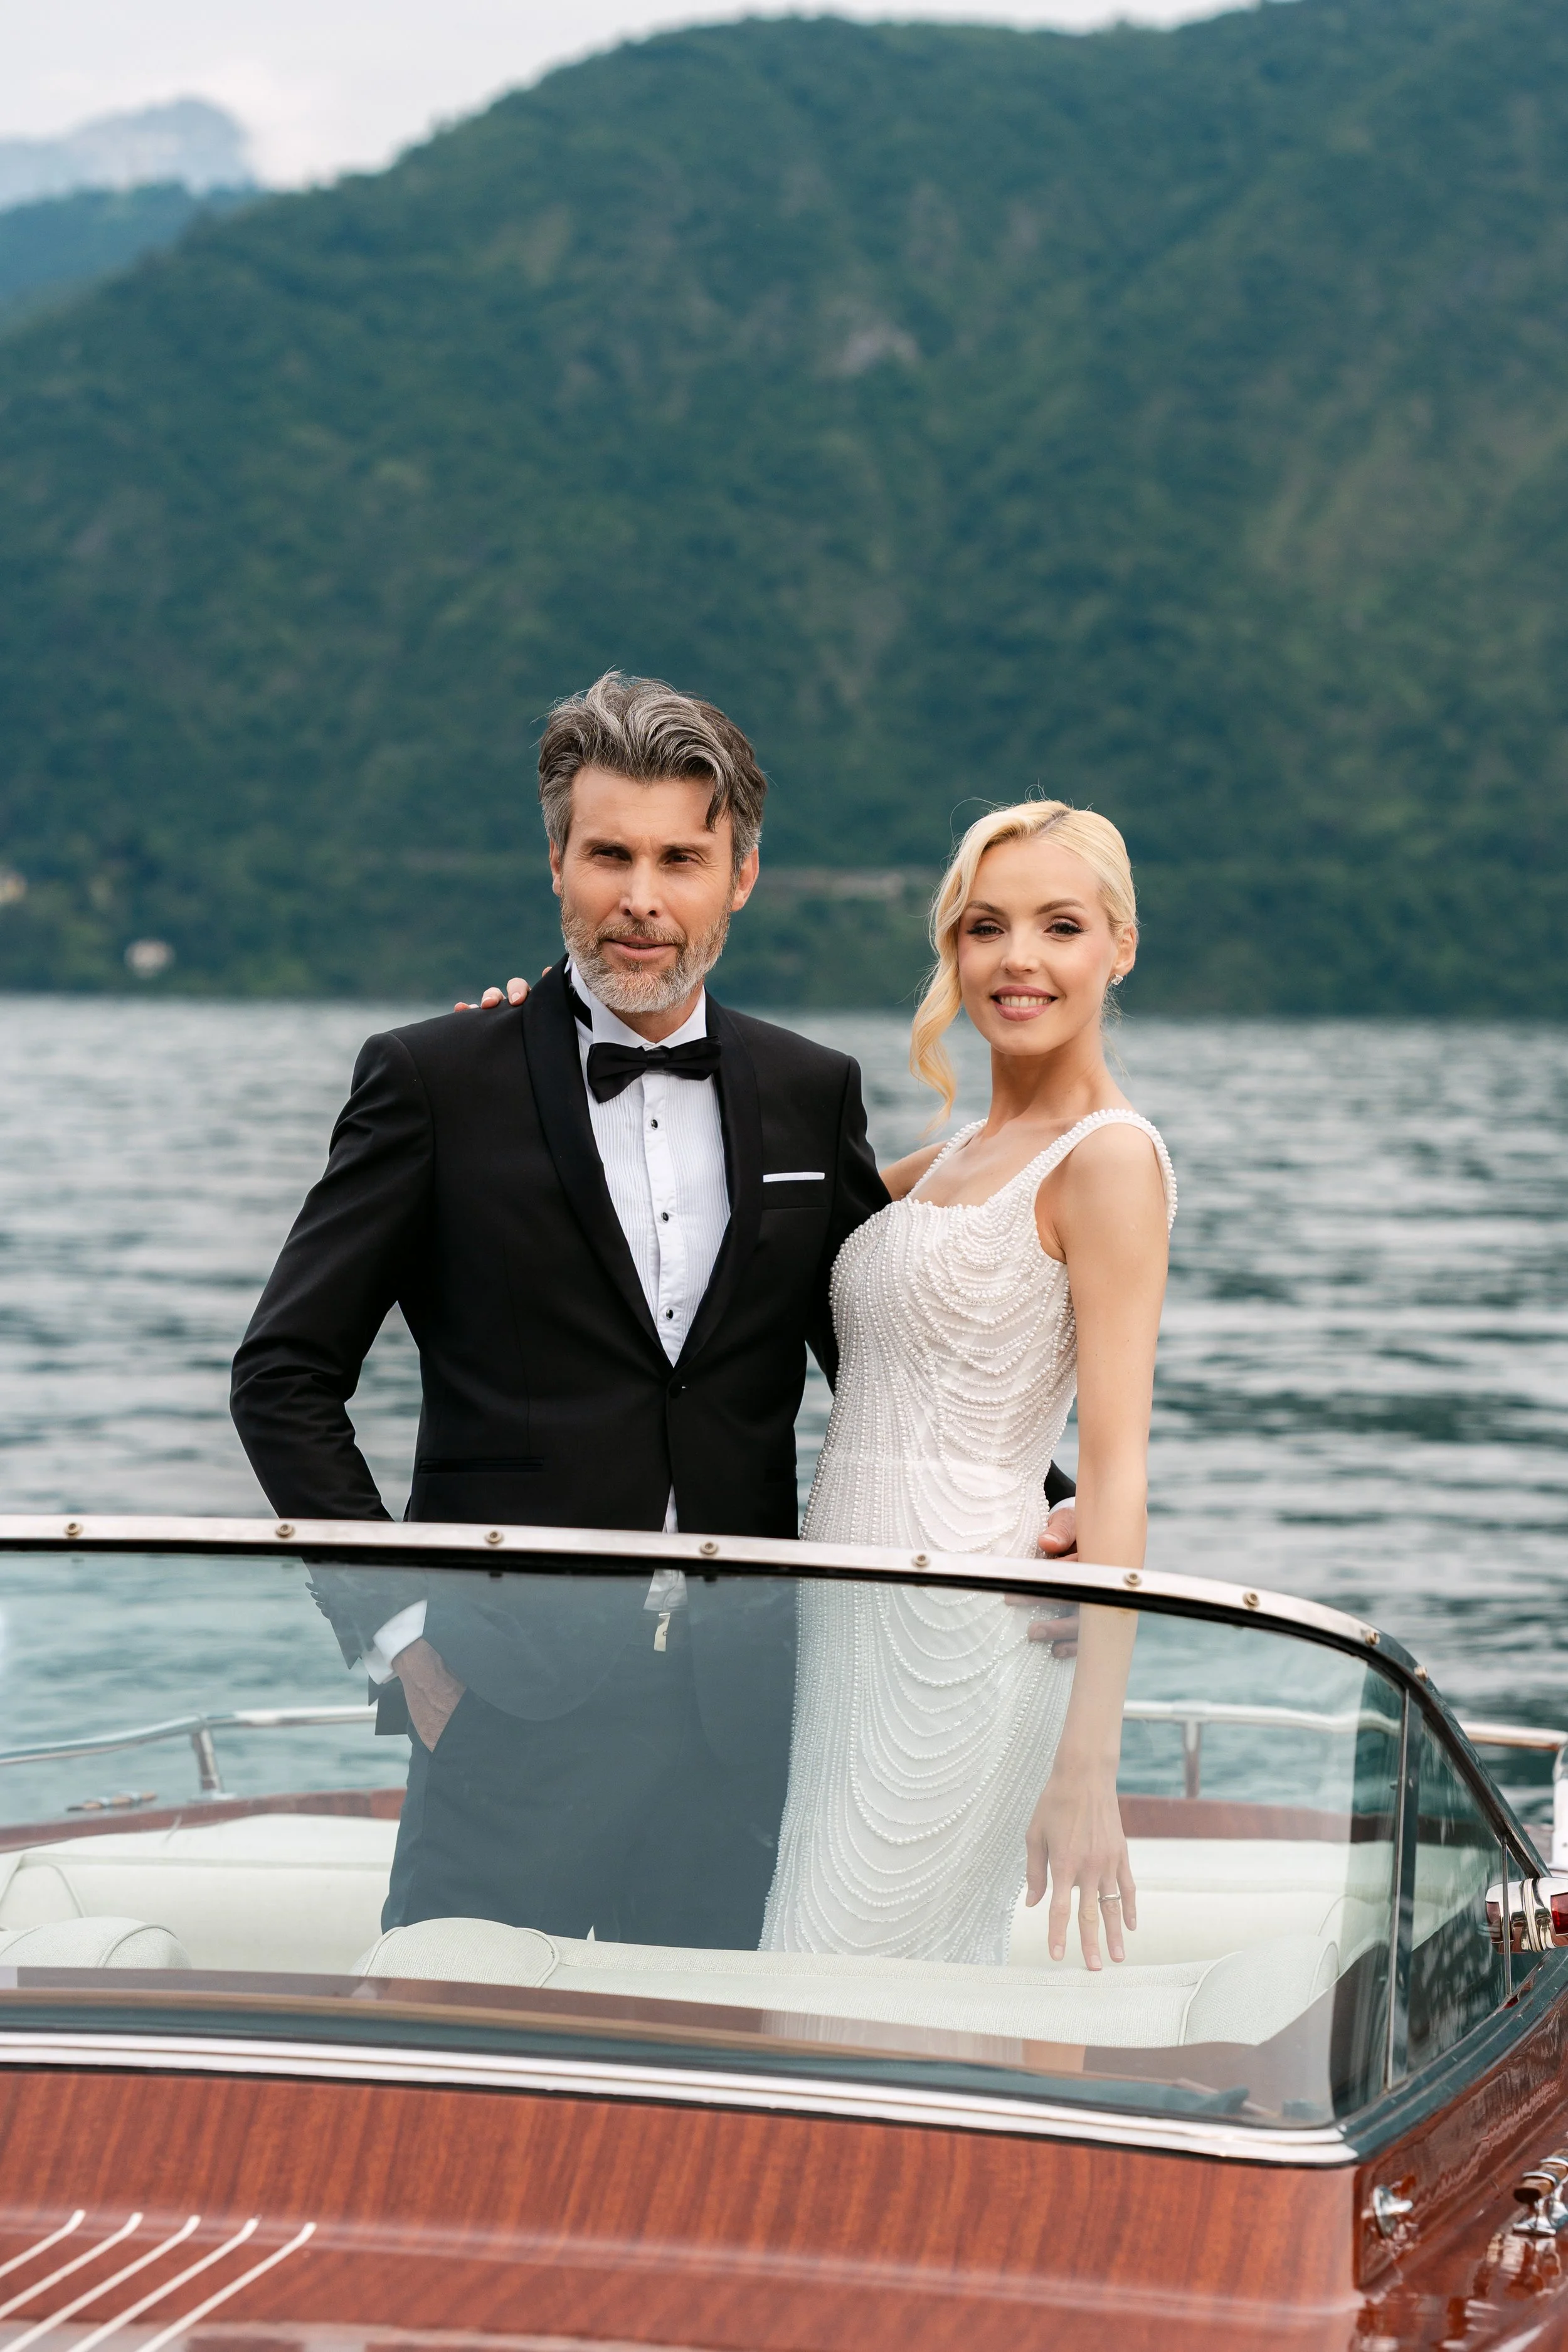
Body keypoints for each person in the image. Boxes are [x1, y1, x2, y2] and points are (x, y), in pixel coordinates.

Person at [231, 670, 1080, 1947]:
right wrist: (401, 1637)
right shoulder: (431, 1081)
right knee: (464, 2090)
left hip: (744, 1716)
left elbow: (884, 1346)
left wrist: (1056, 1505)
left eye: (681, 858)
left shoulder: (810, 1092)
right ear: (557, 866)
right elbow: (283, 1377)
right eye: (609, 855)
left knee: (717, 2111)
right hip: (499, 1703)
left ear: (737, 876)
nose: (642, 898)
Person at [759, 800, 1175, 1973]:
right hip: (844, 1618)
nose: (1019, 959)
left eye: (1061, 924)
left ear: (1118, 946)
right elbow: (738, 1199)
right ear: (953, 947)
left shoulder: (1110, 1160)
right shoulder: (943, 1159)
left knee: (838, 1983)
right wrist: (524, 1031)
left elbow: (1116, 1462)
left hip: (969, 1637)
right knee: (822, 1975)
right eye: (987, 926)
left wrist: (1088, 1768)